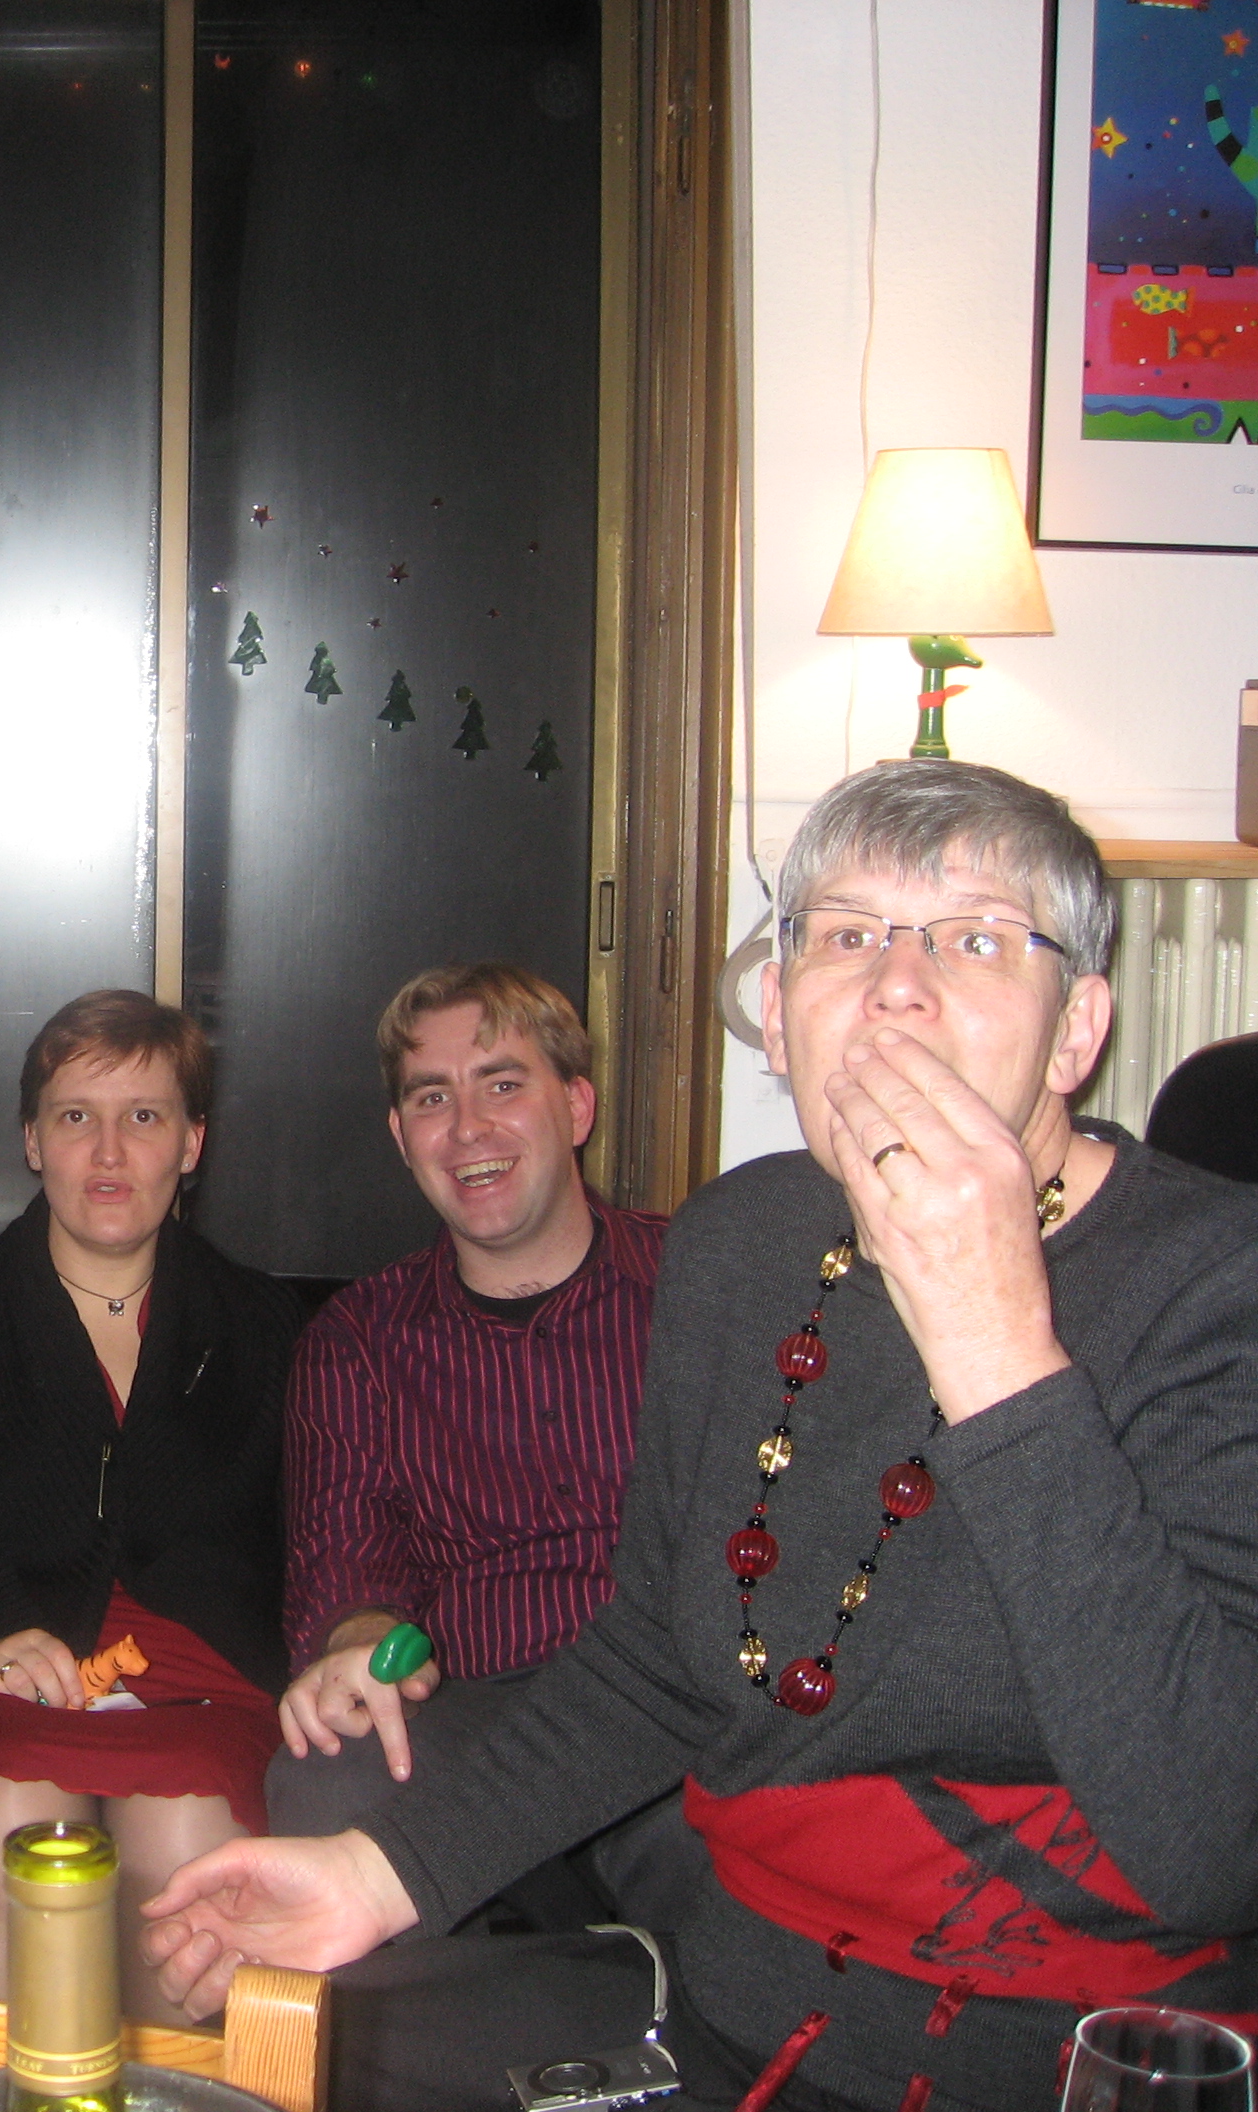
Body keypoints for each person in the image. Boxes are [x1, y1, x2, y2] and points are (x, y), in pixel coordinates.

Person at [141, 761, 1258, 2112]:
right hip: (732, 2009)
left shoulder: (1216, 1283)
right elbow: (661, 1660)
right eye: (846, 935)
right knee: (294, 2061)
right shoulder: (740, 1244)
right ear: (777, 1018)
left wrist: (998, 1346)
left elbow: (1216, 1843)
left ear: (1075, 1031)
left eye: (972, 939)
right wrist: (373, 1877)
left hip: (1063, 2057)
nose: (896, 988)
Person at [0, 989, 303, 2017]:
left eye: (144, 1116)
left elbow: (327, 1550)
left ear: (192, 1143)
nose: (109, 1151)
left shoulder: (268, 1330)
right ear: (32, 1141)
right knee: (24, 1824)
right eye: (76, 1115)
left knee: (189, 1836)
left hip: (205, 1697)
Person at [267, 964, 666, 1855]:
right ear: (402, 1138)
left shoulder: (698, 1282)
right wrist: (365, 1650)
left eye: (503, 1084)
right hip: (473, 1716)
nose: (468, 1127)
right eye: (432, 1098)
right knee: (324, 1780)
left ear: (578, 1107)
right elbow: (347, 1570)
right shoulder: (357, 1339)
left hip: (677, 1705)